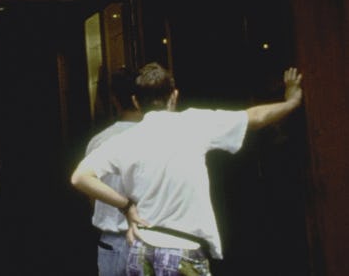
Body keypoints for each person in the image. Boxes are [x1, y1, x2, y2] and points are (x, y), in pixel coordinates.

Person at [71, 62, 304, 276]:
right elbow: (255, 117)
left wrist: (126, 206)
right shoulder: (195, 124)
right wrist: (290, 102)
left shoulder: (124, 140)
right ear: (174, 96)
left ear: (135, 101)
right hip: (182, 248)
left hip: (142, 249)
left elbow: (80, 178)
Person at [84, 67, 142, 276]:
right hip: (150, 236)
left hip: (112, 239)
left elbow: (92, 195)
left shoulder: (99, 141)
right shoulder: (156, 137)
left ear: (115, 100)